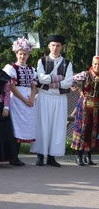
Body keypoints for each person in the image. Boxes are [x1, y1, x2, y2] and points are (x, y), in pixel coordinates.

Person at [32, 35, 73, 167]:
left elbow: (68, 82)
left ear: (62, 47)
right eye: (53, 45)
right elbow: (41, 79)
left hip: (59, 98)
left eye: (58, 45)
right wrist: (59, 78)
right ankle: (40, 155)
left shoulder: (67, 63)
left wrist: (51, 80)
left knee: (57, 126)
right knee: (42, 125)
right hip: (44, 96)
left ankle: (51, 156)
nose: (55, 48)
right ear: (49, 46)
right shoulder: (42, 61)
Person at [3, 37, 38, 166]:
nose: (22, 56)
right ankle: (13, 157)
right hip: (16, 98)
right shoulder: (11, 68)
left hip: (28, 98)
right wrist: (23, 99)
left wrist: (32, 98)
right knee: (15, 128)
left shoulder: (31, 69)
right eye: (20, 54)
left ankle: (15, 156)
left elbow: (34, 85)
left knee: (23, 128)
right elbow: (11, 86)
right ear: (16, 54)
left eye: (25, 54)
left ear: (28, 55)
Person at [71, 56, 98, 165]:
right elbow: (72, 80)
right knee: (82, 129)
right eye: (95, 64)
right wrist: (79, 90)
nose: (97, 66)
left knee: (93, 130)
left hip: (96, 107)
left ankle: (88, 155)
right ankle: (78, 156)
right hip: (84, 105)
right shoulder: (85, 74)